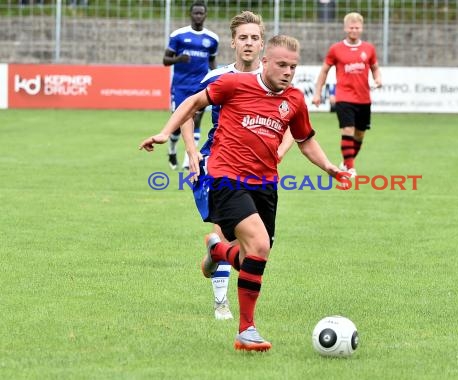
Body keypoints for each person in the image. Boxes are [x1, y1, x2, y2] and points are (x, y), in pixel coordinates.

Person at [139, 35, 342, 352]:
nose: (288, 71)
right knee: (259, 245)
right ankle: (246, 331)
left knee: (251, 258)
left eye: (293, 66)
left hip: (265, 184)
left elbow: (304, 140)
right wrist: (166, 132)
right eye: (281, 64)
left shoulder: (295, 100)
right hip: (226, 178)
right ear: (265, 61)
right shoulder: (233, 84)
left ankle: (217, 250)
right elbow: (192, 103)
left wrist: (329, 166)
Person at [192, 11, 293, 321]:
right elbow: (190, 110)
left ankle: (215, 253)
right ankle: (222, 303)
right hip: (219, 162)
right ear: (233, 42)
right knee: (225, 228)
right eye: (243, 38)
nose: (249, 43)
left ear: (262, 44)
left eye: (254, 38)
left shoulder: (274, 79)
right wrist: (192, 151)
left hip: (260, 168)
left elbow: (292, 122)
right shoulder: (217, 77)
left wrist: (279, 151)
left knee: (255, 248)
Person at [312, 12, 382, 177]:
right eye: (351, 27)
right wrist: (317, 93)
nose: (354, 30)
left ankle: (346, 161)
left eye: (357, 27)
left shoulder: (369, 49)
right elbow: (324, 71)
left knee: (359, 134)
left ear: (361, 28)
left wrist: (378, 78)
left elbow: (375, 68)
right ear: (345, 28)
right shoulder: (336, 49)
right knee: (348, 130)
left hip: (364, 98)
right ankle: (350, 168)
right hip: (344, 97)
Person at [163, 0, 218, 170]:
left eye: (201, 13)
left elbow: (212, 62)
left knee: (197, 120)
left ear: (205, 15)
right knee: (179, 124)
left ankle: (189, 161)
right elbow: (165, 60)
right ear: (191, 14)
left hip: (199, 86)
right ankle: (172, 150)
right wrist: (179, 59)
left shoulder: (212, 39)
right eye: (196, 13)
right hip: (180, 86)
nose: (198, 16)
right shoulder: (178, 36)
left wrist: (215, 79)